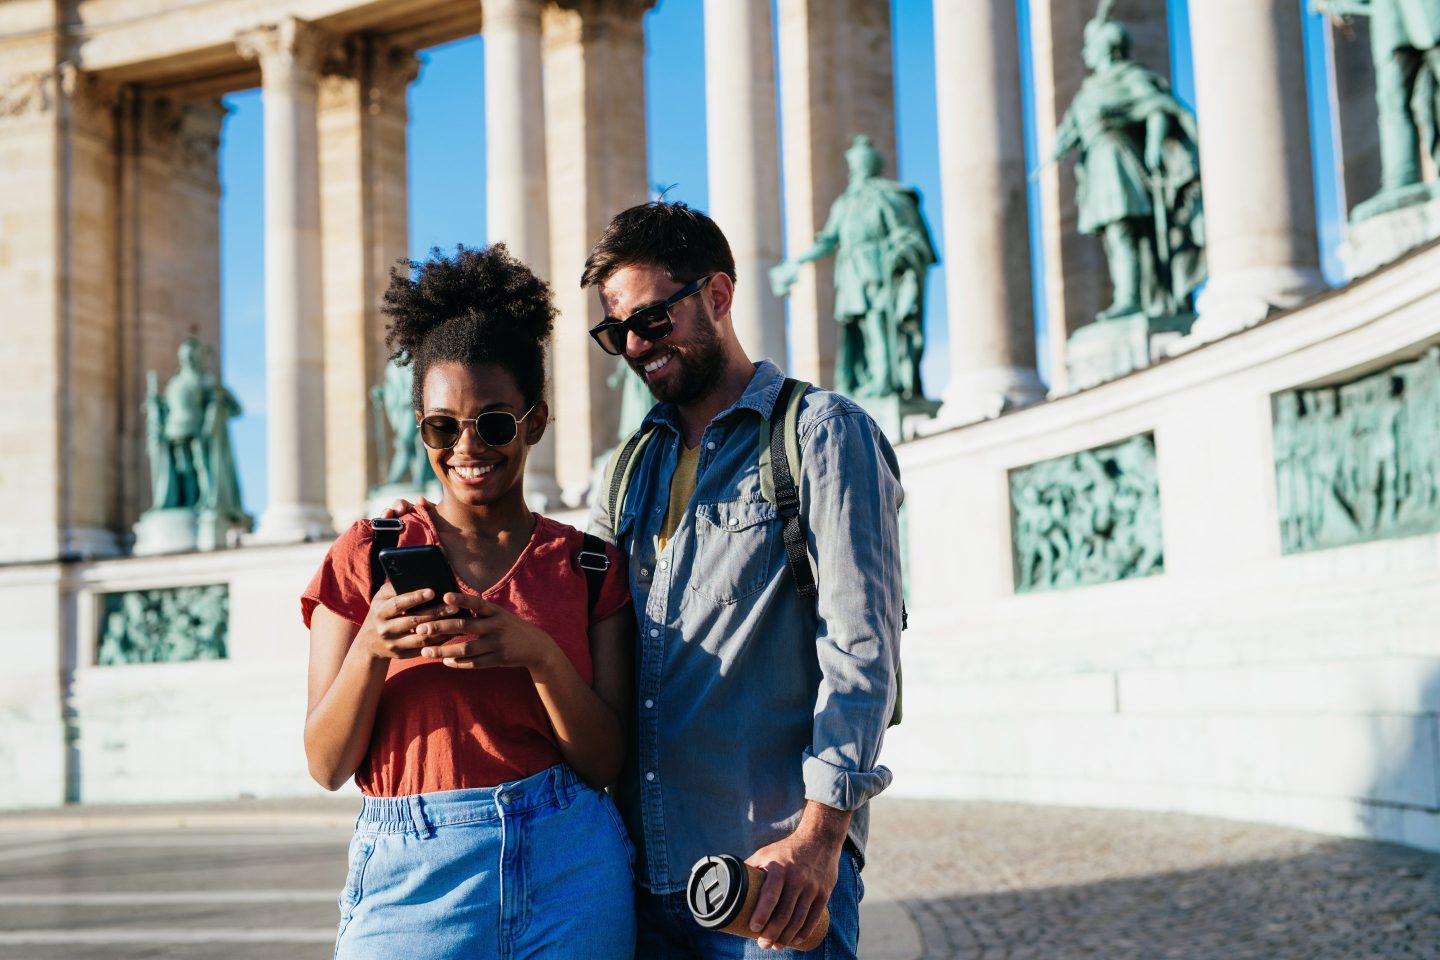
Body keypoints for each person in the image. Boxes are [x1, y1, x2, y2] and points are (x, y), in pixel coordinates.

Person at [584, 201, 902, 958]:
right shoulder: (623, 471)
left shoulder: (823, 431)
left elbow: (863, 651)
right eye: (616, 331)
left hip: (774, 886)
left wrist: (821, 841)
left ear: (718, 297)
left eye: (653, 320)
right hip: (648, 886)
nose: (635, 345)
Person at [301, 244, 636, 960]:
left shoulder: (588, 566)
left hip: (571, 867)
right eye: (441, 426)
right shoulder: (365, 553)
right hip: (410, 877)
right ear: (419, 426)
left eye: (492, 423)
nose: (466, 446)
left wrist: (539, 656)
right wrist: (371, 648)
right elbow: (326, 764)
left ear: (535, 423)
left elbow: (605, 762)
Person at [1051, 8, 1205, 321]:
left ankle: (1131, 298)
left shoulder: (1129, 76)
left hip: (1118, 161)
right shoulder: (1088, 90)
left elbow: (1157, 107)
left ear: (1105, 47)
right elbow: (1069, 128)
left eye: (1089, 46)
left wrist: (1153, 145)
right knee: (1114, 235)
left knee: (1127, 231)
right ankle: (1130, 297)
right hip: (1098, 165)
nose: (1084, 53)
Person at [769, 135, 936, 401]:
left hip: (880, 269)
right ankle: (870, 382)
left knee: (880, 321)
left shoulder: (890, 196)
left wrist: (899, 252)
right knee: (860, 329)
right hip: (852, 273)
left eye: (861, 166)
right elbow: (827, 241)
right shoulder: (844, 203)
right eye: (854, 167)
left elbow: (908, 235)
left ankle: (885, 381)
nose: (857, 172)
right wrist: (797, 262)